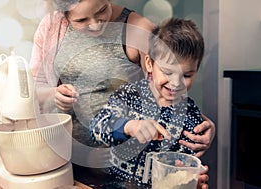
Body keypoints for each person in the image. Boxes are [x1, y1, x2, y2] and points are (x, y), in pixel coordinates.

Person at [29, 0, 213, 188]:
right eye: (81, 20)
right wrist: (53, 95)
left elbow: (164, 93)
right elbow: (35, 92)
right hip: (68, 160)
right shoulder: (52, 26)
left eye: (101, 10)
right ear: (64, 14)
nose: (94, 24)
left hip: (119, 175)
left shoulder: (139, 31)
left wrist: (188, 174)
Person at [89, 17, 210, 188]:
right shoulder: (129, 96)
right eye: (168, 72)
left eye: (187, 75)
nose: (176, 83)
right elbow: (96, 128)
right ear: (149, 64)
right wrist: (130, 127)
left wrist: (191, 180)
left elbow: (184, 166)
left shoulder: (190, 117)